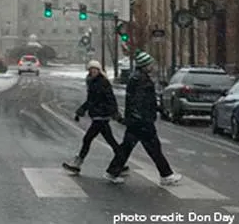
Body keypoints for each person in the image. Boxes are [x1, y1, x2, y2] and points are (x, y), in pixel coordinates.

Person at [104, 50, 182, 185]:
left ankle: (112, 171)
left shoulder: (137, 78)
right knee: (154, 148)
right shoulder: (141, 80)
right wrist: (144, 116)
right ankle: (166, 175)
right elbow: (141, 101)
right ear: (145, 65)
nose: (152, 66)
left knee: (127, 147)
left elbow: (141, 100)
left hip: (136, 120)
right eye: (150, 64)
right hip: (142, 121)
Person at [62, 60, 128, 175]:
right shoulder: (92, 82)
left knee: (88, 139)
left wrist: (115, 113)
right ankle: (120, 163)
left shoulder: (103, 82)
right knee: (110, 141)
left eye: (95, 69)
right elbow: (90, 100)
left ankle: (77, 164)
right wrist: (81, 111)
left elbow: (110, 98)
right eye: (91, 69)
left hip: (101, 116)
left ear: (99, 70)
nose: (93, 71)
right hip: (98, 116)